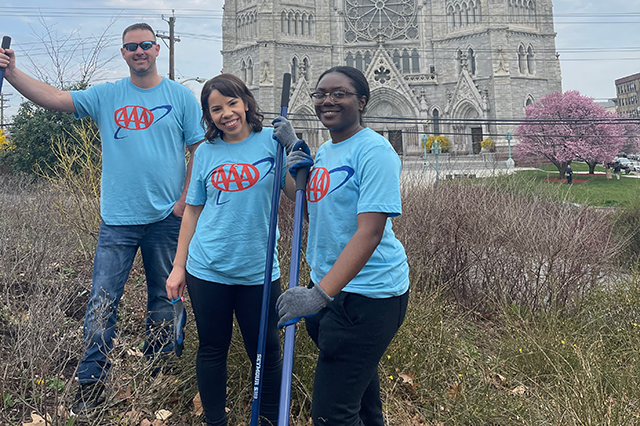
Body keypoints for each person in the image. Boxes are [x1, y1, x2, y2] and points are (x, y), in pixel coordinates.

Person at [0, 23, 204, 415]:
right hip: (117, 220)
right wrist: (10, 73)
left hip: (167, 219)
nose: (139, 51)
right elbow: (55, 98)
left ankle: (158, 375)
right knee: (101, 302)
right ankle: (91, 383)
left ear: (157, 49)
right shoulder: (107, 94)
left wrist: (183, 202)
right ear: (124, 53)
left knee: (166, 299)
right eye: (132, 47)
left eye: (146, 45)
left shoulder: (180, 97)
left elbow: (199, 150)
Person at [275, 66, 410, 425]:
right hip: (332, 290)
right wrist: (294, 161)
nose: (327, 101)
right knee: (361, 402)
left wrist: (318, 295)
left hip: (367, 298)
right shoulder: (326, 151)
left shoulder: (375, 152)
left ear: (362, 101)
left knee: (332, 414)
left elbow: (369, 233)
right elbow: (314, 212)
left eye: (339, 93)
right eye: (320, 94)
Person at [165, 73, 296, 426]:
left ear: (247, 103)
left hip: (259, 272)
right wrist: (178, 267)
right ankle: (214, 420)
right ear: (209, 117)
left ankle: (268, 420)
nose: (226, 113)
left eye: (232, 103)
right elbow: (192, 211)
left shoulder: (272, 143)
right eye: (216, 109)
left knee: (266, 352)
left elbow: (295, 193)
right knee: (211, 349)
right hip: (208, 270)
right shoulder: (206, 152)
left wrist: (295, 148)